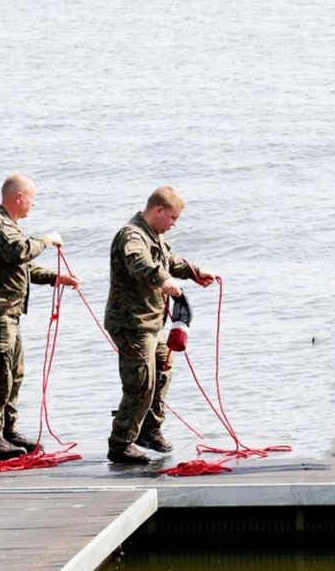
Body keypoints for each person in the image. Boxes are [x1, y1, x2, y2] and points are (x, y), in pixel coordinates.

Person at [0, 174, 80, 462]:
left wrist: (59, 278)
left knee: (15, 374)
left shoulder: (11, 227)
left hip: (8, 314)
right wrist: (47, 238)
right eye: (32, 198)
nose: (33, 204)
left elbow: (25, 268)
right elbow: (20, 251)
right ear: (19, 197)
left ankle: (7, 431)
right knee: (0, 376)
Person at [105, 186, 215, 465]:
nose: (174, 224)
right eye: (173, 218)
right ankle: (120, 443)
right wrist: (163, 281)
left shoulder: (153, 235)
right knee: (141, 382)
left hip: (153, 322)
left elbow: (168, 260)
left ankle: (149, 431)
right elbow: (139, 263)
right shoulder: (131, 235)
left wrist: (194, 272)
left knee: (163, 374)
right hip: (131, 323)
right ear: (159, 211)